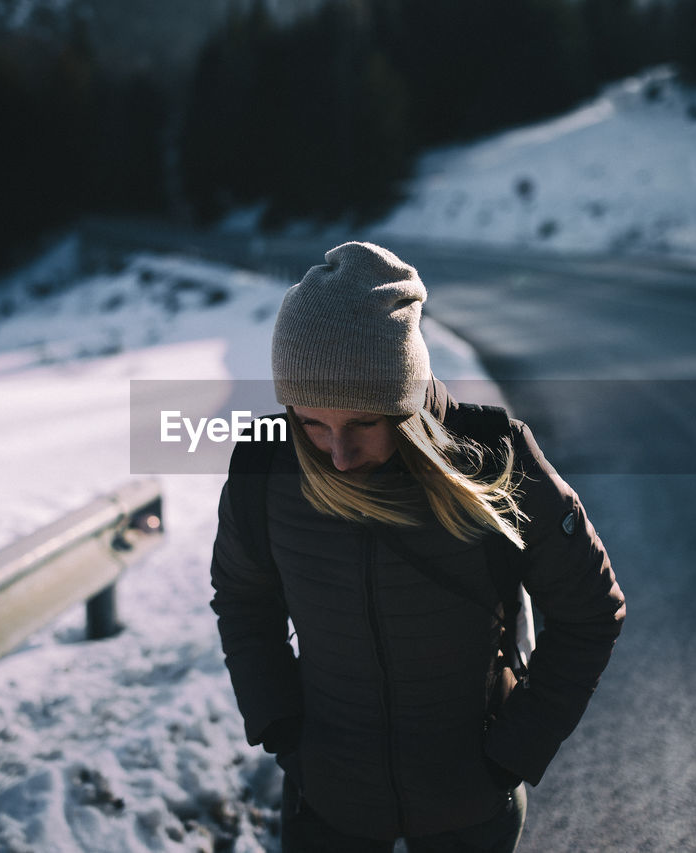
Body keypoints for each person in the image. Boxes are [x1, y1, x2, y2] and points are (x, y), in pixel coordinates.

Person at [210, 242, 625, 852]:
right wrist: (283, 730)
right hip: (327, 801)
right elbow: (243, 599)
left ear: (406, 402)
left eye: (363, 423)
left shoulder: (494, 457)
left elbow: (590, 610)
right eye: (311, 424)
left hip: (470, 805)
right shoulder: (262, 471)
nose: (338, 454)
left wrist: (514, 752)